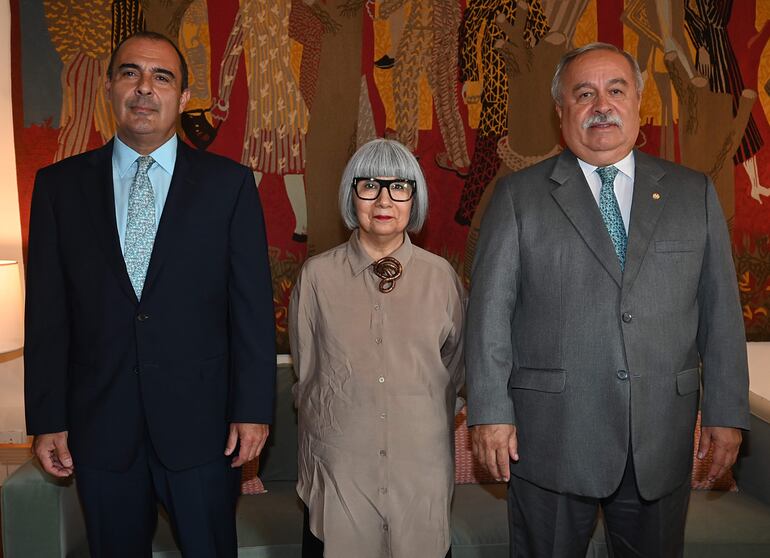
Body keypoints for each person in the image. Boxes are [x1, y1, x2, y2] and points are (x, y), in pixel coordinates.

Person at [465, 42, 750, 557]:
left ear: (638, 102)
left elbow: (721, 315)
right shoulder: (518, 197)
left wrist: (727, 411)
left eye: (616, 90)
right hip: (548, 438)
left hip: (659, 437)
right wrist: (489, 411)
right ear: (561, 111)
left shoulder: (693, 193)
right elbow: (488, 317)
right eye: (584, 93)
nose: (602, 104)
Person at [24, 31, 276, 558]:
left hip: (204, 432)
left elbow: (250, 310)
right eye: (130, 73)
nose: (145, 88)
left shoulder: (229, 186)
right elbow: (47, 315)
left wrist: (253, 409)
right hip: (100, 432)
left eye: (162, 77)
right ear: (110, 88)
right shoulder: (57, 187)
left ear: (183, 99)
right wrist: (47, 420)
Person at [289, 138, 465, 558]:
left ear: (414, 198)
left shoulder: (442, 278)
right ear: (352, 195)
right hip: (341, 475)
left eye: (399, 186)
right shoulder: (316, 278)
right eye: (369, 185)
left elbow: (455, 371)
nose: (384, 199)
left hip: (420, 476)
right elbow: (308, 371)